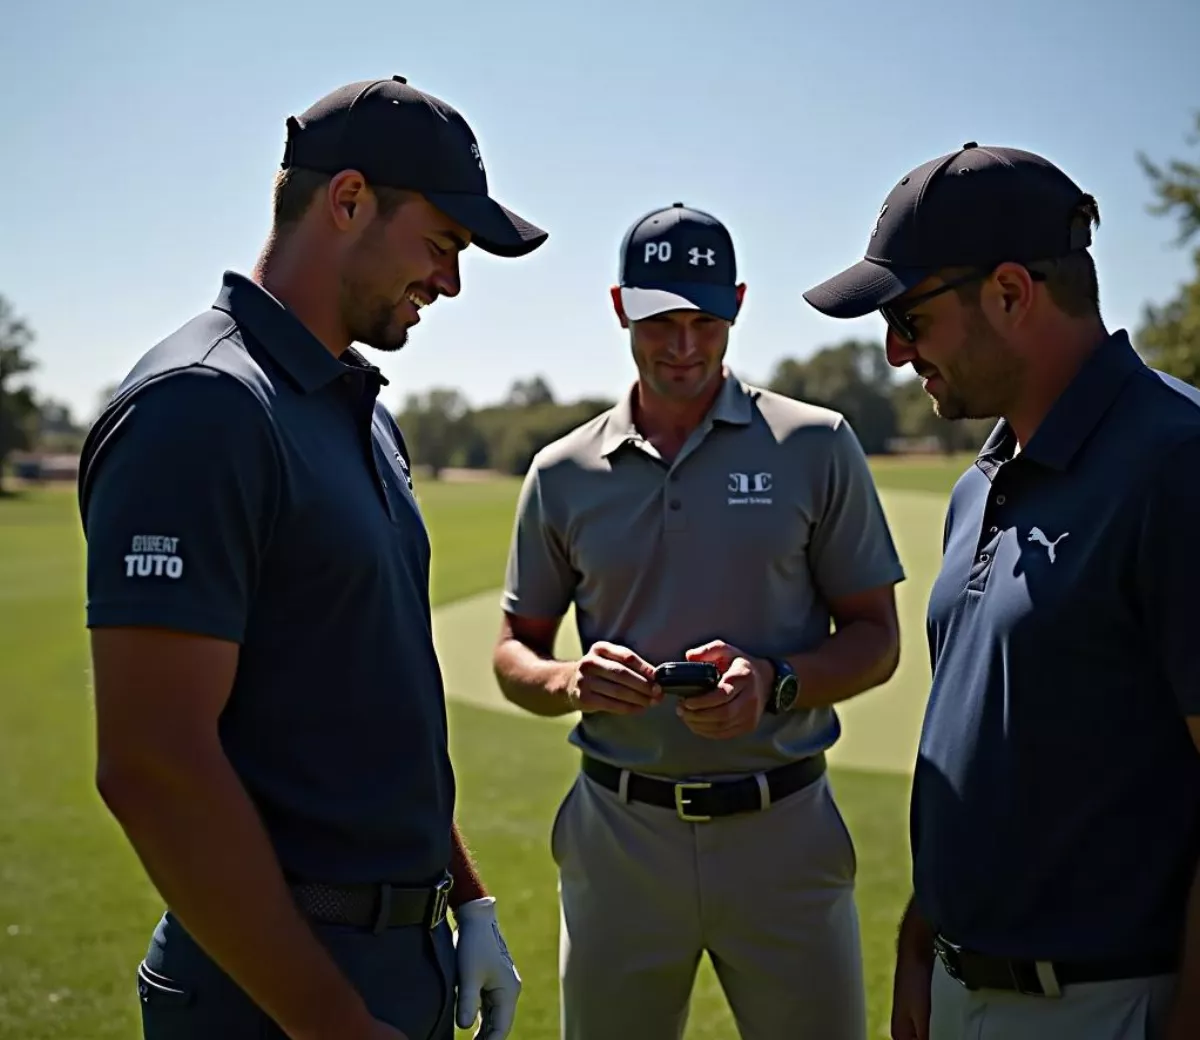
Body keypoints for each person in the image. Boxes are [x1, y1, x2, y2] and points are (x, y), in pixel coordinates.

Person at [77, 76, 546, 1040]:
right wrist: (331, 1021)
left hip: (392, 966)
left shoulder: (360, 415)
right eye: (442, 244)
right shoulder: (203, 408)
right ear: (347, 201)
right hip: (277, 994)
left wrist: (466, 897)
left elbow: (371, 697)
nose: (451, 283)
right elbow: (153, 763)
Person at [802, 141, 1200, 1040]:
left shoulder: (1177, 464)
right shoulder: (981, 481)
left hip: (1110, 1003)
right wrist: (923, 931)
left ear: (1013, 292)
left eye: (908, 315)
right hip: (960, 982)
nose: (897, 352)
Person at [491, 202, 906, 1040]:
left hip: (784, 832)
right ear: (619, 308)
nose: (683, 346)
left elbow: (877, 640)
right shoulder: (561, 471)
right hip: (618, 838)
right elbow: (514, 651)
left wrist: (778, 681)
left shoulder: (817, 444)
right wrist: (571, 681)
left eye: (704, 320)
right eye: (660, 321)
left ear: (739, 305)